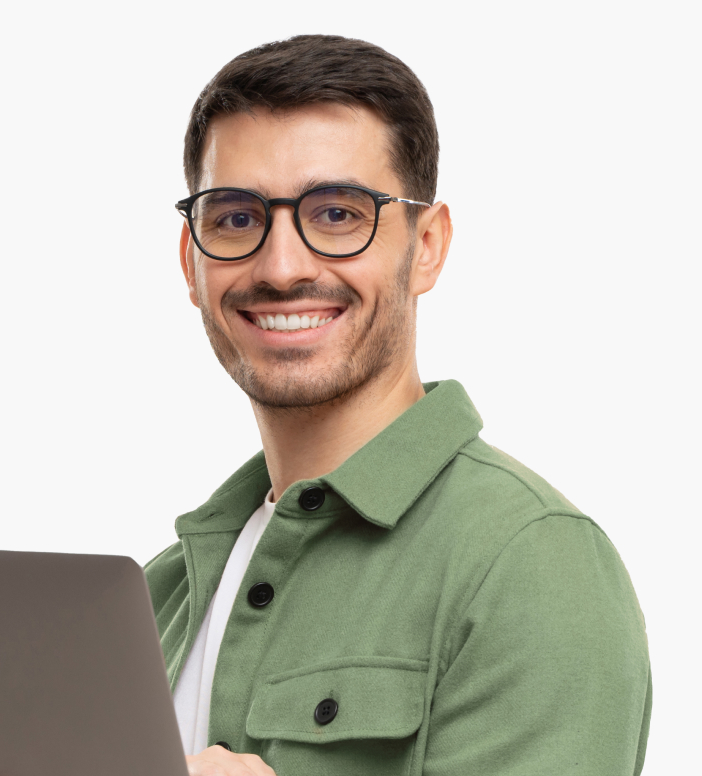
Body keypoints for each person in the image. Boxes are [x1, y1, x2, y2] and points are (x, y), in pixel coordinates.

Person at [143, 34, 651, 776]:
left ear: (428, 246)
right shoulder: (155, 599)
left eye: (338, 214)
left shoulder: (528, 563)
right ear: (190, 262)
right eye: (236, 218)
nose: (282, 267)